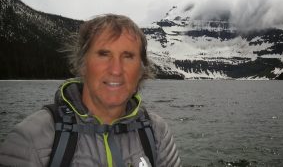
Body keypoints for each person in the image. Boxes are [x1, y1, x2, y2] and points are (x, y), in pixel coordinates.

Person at [0, 14, 181, 167]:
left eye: (128, 56)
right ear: (83, 64)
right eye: (103, 54)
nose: (116, 69)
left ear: (142, 70)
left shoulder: (156, 132)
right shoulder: (33, 139)